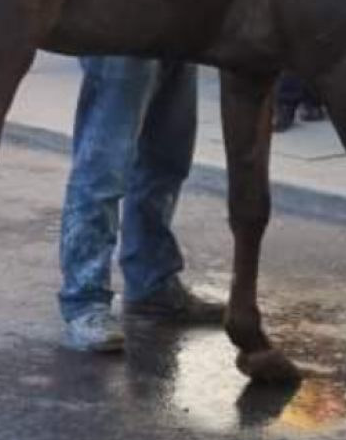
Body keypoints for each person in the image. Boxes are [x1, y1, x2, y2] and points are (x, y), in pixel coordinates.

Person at [59, 57, 224, 352]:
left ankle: (152, 282)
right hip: (124, 33)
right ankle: (85, 301)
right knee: (104, 168)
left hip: (178, 32)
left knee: (165, 163)